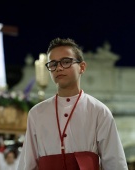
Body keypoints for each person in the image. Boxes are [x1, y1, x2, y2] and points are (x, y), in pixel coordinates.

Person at [17, 37, 128, 170]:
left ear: (82, 67)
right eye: (53, 64)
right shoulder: (36, 113)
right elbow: (27, 163)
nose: (58, 68)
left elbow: (114, 163)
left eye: (66, 62)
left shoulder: (99, 111)